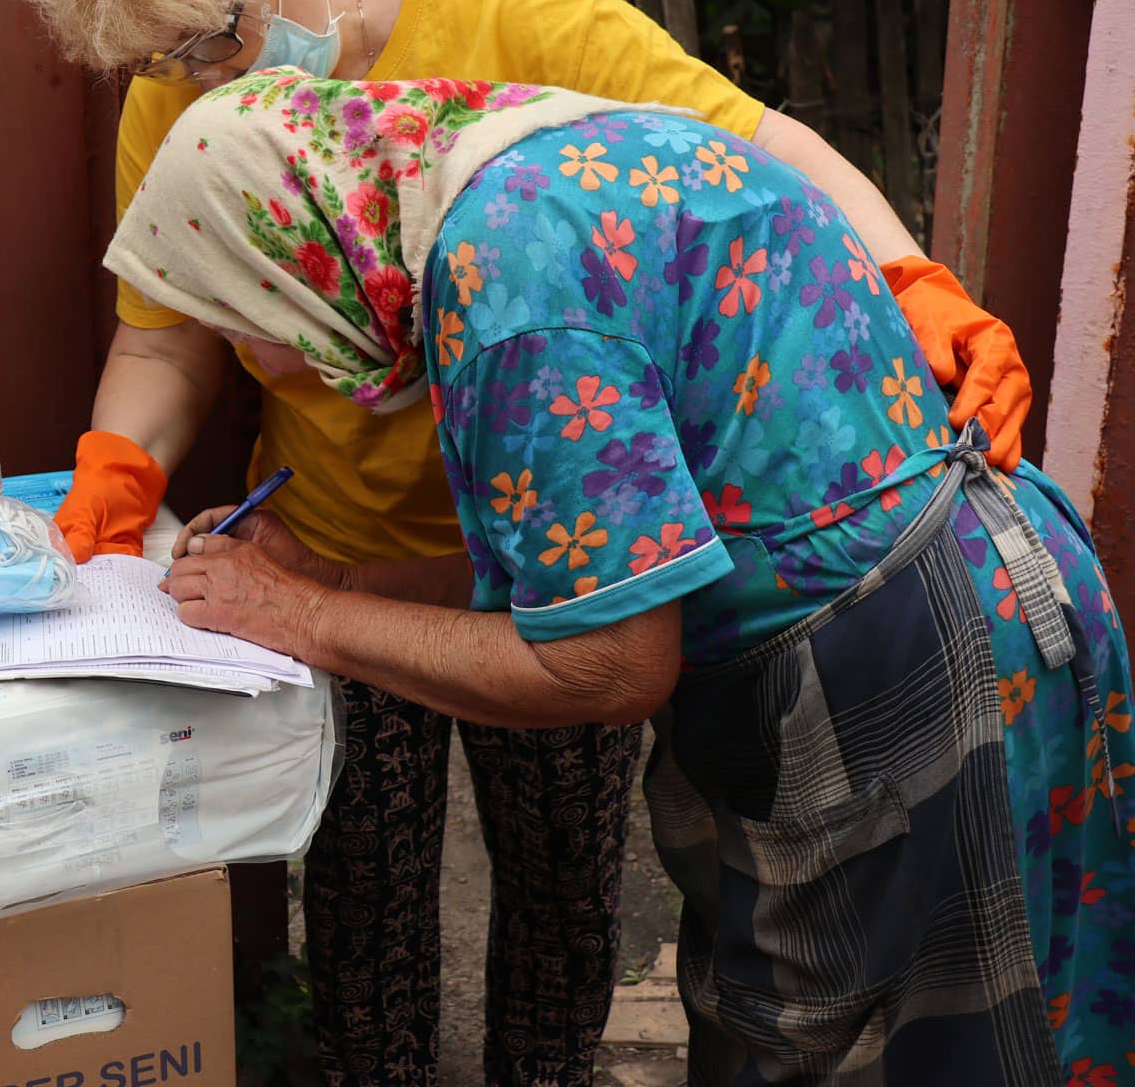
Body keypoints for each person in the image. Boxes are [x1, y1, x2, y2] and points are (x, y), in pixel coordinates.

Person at [32, 0, 1033, 1081]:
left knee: (569, 889)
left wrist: (910, 277)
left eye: (221, 33)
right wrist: (119, 488)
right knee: (366, 911)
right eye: (174, 58)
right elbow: (173, 326)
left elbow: (752, 146)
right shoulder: (197, 101)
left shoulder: (513, 157)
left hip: (578, 530)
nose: (209, 78)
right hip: (361, 533)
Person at [120, 66, 1134, 1085]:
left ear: (289, 256)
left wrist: (304, 615)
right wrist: (333, 570)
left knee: (904, 1052)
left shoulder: (507, 284)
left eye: (235, 311)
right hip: (972, 588)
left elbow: (604, 664)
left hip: (903, 651)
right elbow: (593, 562)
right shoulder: (538, 169)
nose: (256, 353)